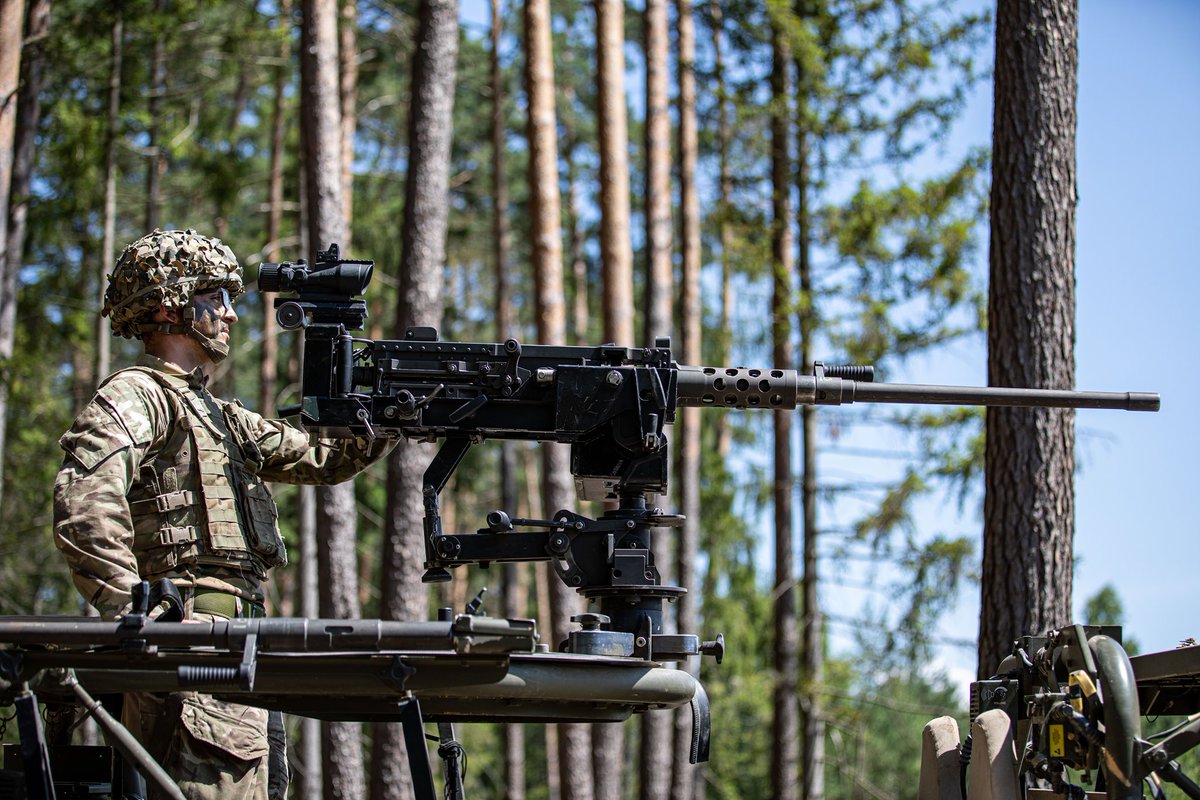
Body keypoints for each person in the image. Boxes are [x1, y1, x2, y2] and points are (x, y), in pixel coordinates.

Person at [53, 228, 392, 800]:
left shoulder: (218, 415)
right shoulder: (139, 395)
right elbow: (85, 500)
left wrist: (388, 410)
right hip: (190, 650)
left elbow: (324, 458)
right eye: (216, 298)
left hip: (235, 646)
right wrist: (137, 609)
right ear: (170, 303)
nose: (232, 315)